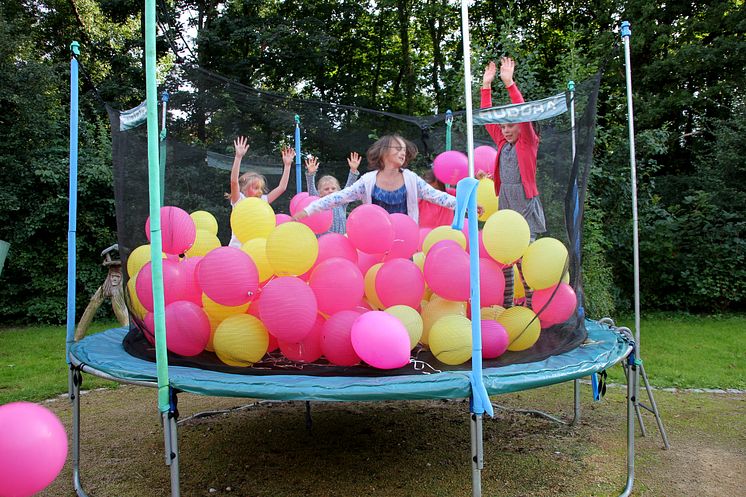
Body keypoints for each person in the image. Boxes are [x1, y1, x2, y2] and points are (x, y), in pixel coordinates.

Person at [481, 57, 546, 306]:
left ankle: (531, 302)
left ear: (520, 127)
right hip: (507, 204)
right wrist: (486, 86)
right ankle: (507, 302)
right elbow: (488, 118)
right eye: (504, 127)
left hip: (525, 206)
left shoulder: (527, 143)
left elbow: (522, 113)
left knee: (524, 257)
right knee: (505, 256)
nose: (506, 130)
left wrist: (509, 83)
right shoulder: (502, 143)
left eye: (511, 126)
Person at [292, 134, 457, 223]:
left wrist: (467, 206)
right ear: (384, 152)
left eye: (404, 150)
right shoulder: (367, 181)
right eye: (398, 148)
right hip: (375, 243)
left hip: (406, 243)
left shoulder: (412, 179)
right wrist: (307, 211)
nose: (402, 153)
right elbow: (337, 198)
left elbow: (439, 197)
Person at [228, 136, 295, 247]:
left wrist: (287, 166)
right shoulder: (239, 200)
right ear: (244, 188)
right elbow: (234, 182)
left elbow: (282, 187)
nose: (259, 191)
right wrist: (238, 157)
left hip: (257, 250)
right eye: (255, 188)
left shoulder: (262, 201)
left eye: (260, 188)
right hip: (238, 249)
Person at [304, 152, 361, 234]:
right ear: (320, 193)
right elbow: (311, 191)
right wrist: (311, 175)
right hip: (323, 241)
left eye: (333, 188)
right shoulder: (319, 203)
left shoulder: (341, 202)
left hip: (340, 240)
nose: (330, 190)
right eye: (326, 189)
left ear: (338, 190)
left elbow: (349, 188)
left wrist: (353, 170)